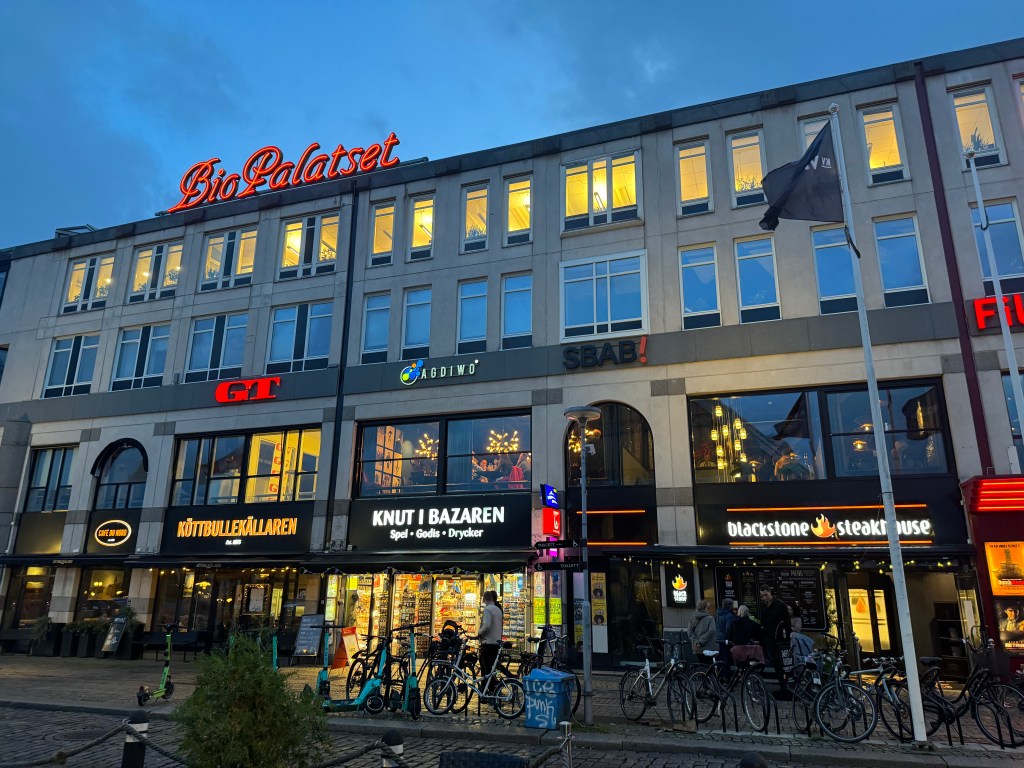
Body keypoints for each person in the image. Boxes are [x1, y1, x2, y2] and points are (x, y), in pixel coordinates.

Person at [759, 586, 791, 697]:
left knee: (781, 663)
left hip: (779, 639)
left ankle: (785, 685)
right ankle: (782, 684)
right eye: (762, 596)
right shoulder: (763, 606)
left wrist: (787, 638)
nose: (764, 598)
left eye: (765, 595)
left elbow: (787, 622)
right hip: (768, 639)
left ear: (771, 594)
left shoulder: (780, 605)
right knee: (774, 662)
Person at [475, 590, 503, 693]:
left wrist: (479, 633)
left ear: (484, 599)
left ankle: (487, 689)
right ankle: (493, 687)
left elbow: (486, 626)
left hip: (488, 642)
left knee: (485, 667)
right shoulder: (498, 610)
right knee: (493, 667)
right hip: (496, 642)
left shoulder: (487, 609)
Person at [716, 598, 737, 674]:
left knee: (721, 657)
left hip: (719, 638)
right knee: (727, 658)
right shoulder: (729, 615)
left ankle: (721, 675)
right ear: (730, 606)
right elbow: (729, 628)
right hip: (726, 639)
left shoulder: (718, 613)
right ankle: (726, 676)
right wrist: (729, 638)